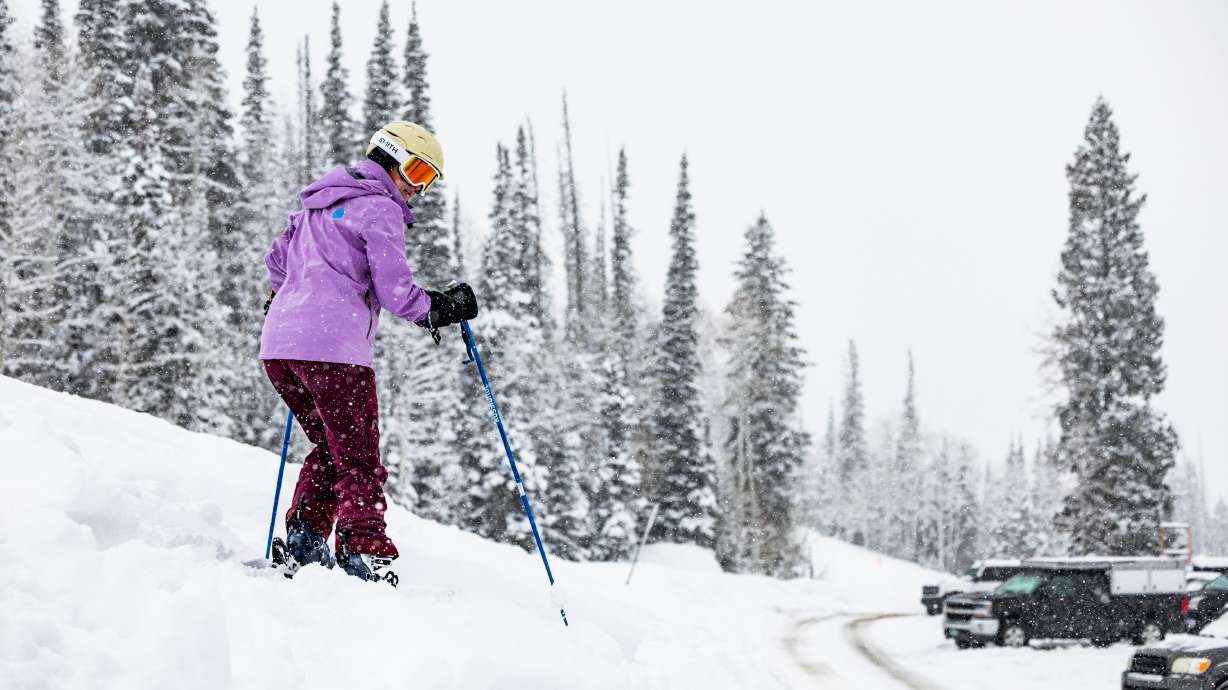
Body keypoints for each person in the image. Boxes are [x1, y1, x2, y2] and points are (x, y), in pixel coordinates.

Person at [260, 121, 478, 584]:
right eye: (417, 173)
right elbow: (397, 293)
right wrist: (441, 308)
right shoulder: (379, 208)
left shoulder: (316, 205)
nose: (418, 190)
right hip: (335, 350)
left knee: (330, 445)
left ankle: (304, 539)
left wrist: (290, 298)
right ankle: (364, 553)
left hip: (280, 349)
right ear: (392, 159)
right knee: (358, 455)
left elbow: (276, 263)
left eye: (427, 181)